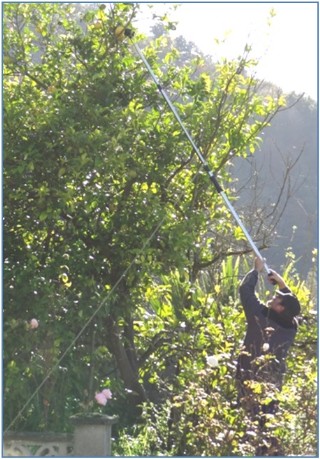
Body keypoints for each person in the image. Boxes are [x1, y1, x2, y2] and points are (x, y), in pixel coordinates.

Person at [236, 257, 301, 454]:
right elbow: (293, 307)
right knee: (269, 423)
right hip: (273, 383)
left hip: (249, 377)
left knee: (252, 424)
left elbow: (245, 291)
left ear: (280, 308)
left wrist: (256, 271)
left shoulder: (260, 318)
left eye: (276, 299)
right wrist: (281, 284)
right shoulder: (292, 326)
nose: (272, 298)